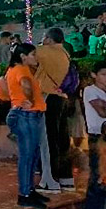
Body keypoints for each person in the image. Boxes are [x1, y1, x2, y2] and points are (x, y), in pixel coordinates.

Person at [5, 43, 49, 209]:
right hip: (27, 115)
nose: (35, 57)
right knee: (28, 155)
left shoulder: (16, 69)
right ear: (23, 56)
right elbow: (25, 84)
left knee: (32, 154)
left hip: (26, 114)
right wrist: (29, 100)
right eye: (33, 54)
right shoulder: (21, 70)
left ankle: (29, 190)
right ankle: (25, 194)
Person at [35, 28, 72, 192]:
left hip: (49, 98)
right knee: (62, 139)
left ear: (49, 39)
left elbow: (25, 54)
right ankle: (66, 179)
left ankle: (50, 181)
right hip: (62, 98)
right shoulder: (64, 53)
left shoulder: (46, 51)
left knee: (48, 140)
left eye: (44, 37)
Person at [80, 61, 106, 209]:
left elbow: (105, 109)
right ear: (94, 75)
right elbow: (101, 112)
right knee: (98, 173)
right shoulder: (90, 91)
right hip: (97, 136)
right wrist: (104, 107)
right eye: (103, 74)